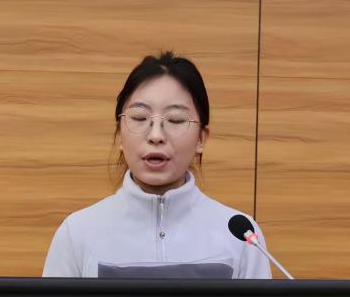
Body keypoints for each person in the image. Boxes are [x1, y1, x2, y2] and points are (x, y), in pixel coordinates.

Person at [42, 51, 273, 279]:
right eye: (139, 118)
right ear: (119, 134)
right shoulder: (77, 233)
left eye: (175, 120)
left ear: (201, 139)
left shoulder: (242, 237)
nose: (156, 135)